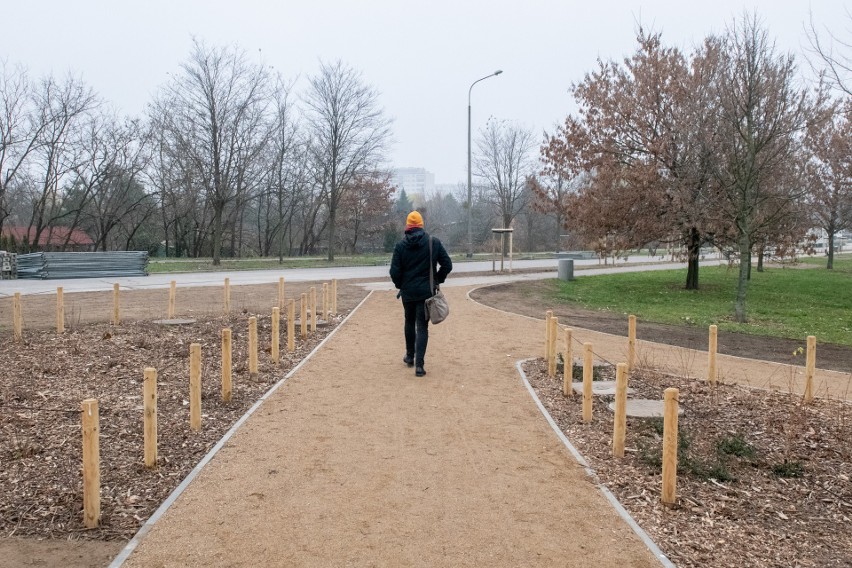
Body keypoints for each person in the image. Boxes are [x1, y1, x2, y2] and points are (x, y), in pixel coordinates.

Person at [389, 210, 452, 377]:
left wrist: (400, 284)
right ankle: (419, 366)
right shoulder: (433, 243)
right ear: (421, 225)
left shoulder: (400, 246)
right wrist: (437, 280)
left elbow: (394, 272)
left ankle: (410, 356)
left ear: (408, 226)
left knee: (409, 322)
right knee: (422, 326)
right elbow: (447, 265)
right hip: (426, 293)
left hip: (408, 293)